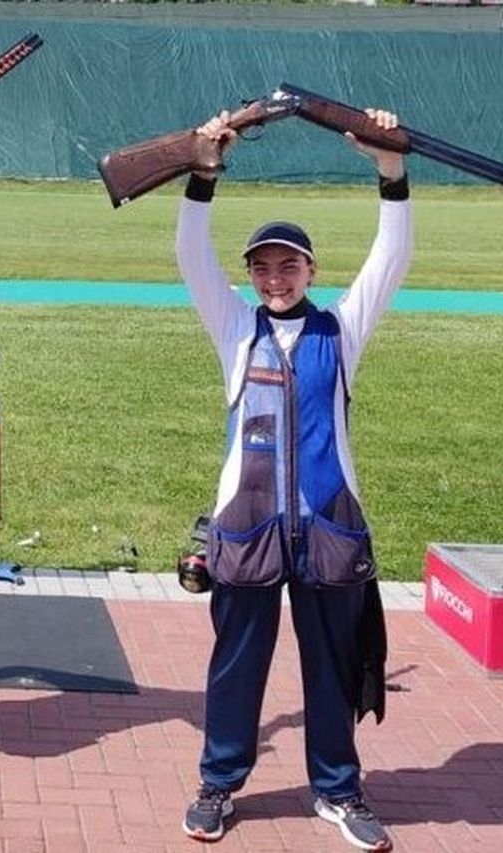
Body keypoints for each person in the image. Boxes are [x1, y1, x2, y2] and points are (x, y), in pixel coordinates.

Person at [175, 107, 411, 851]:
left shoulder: (341, 330)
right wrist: (204, 172)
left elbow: (392, 257)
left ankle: (338, 790)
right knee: (234, 667)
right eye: (263, 266)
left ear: (312, 271)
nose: (276, 277)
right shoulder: (235, 328)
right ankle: (219, 783)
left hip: (330, 531)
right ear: (249, 276)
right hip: (244, 531)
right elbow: (189, 254)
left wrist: (391, 174)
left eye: (290, 265)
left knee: (333, 673)